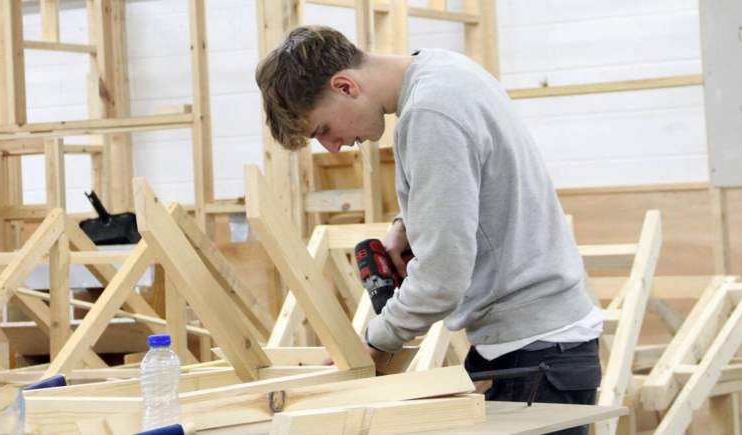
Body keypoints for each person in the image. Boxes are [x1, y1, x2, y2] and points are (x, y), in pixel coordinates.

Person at [255, 25, 603, 434]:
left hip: (532, 358)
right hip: (543, 348)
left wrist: (375, 341)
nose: (332, 147)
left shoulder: (428, 113)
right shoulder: (445, 70)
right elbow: (482, 180)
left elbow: (441, 278)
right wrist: (408, 223)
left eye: (323, 131)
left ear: (345, 86)